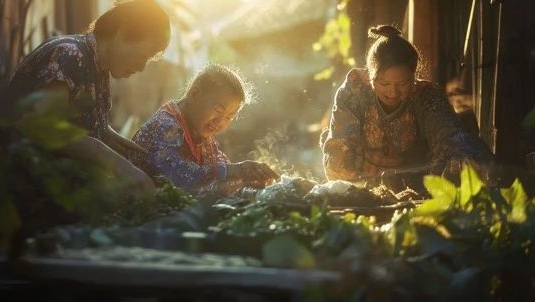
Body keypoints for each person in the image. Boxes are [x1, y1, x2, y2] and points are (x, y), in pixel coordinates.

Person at [7, 0, 171, 188]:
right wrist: (111, 159)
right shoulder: (70, 55)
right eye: (143, 56)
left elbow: (82, 125)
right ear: (122, 33)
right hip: (9, 189)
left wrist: (111, 139)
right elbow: (44, 127)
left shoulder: (97, 68)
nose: (142, 67)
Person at [321, 25, 492, 182]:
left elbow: (449, 135)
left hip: (414, 178)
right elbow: (340, 145)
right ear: (370, 75)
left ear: (413, 76)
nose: (393, 93)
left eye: (402, 84)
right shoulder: (354, 90)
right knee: (338, 156)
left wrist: (466, 161)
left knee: (467, 157)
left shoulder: (426, 95)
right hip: (364, 178)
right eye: (384, 83)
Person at [130, 64, 279, 195]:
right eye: (218, 110)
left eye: (229, 117)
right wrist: (236, 171)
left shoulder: (201, 136)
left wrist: (248, 180)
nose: (220, 122)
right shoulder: (166, 125)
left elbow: (220, 173)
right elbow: (179, 176)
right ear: (194, 94)